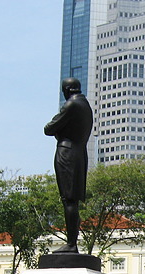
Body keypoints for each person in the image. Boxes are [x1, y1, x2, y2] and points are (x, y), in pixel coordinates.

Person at [44, 77, 93, 253]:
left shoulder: (71, 105)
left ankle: (71, 244)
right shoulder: (85, 105)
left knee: (69, 199)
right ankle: (72, 242)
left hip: (67, 153)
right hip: (80, 153)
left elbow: (49, 128)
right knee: (73, 200)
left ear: (68, 89)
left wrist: (59, 131)